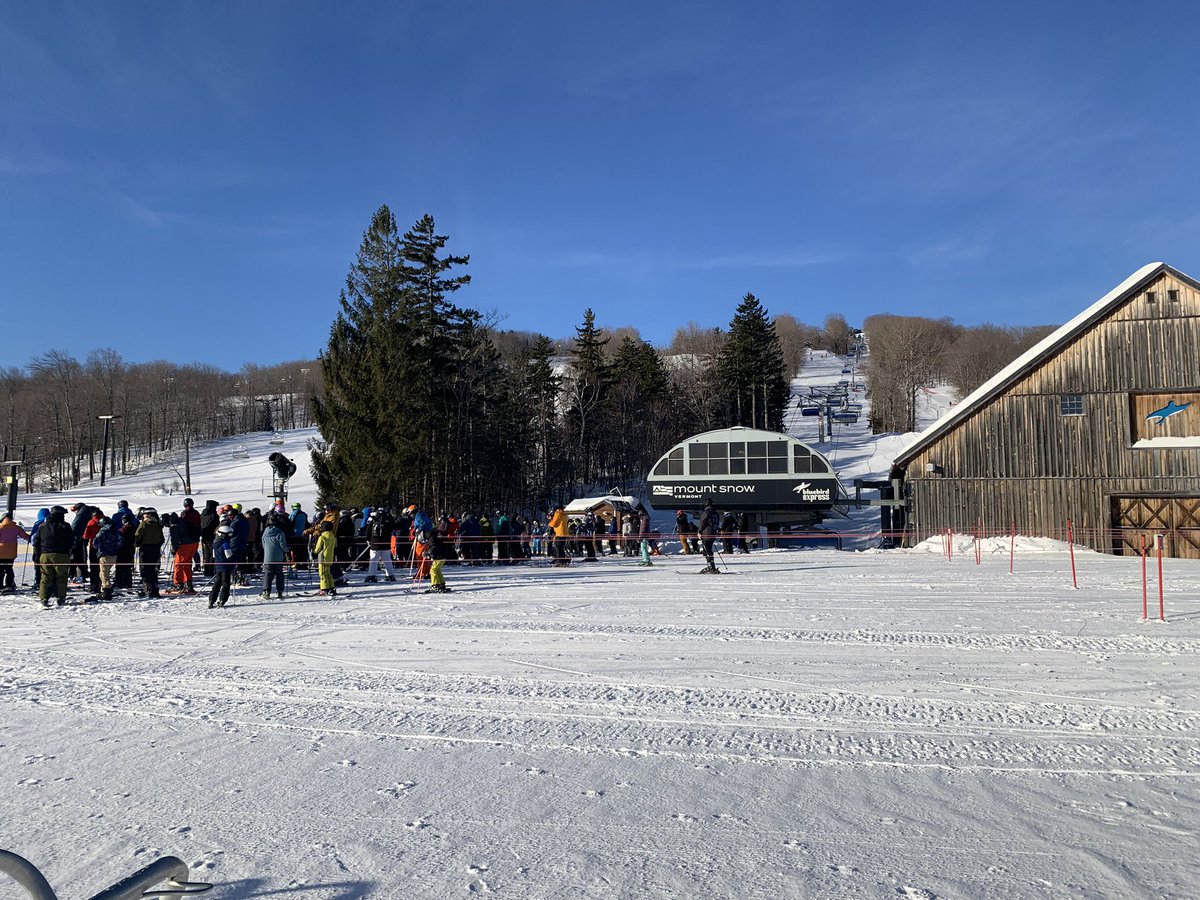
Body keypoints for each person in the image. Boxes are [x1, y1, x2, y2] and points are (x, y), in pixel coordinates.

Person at [34, 506, 74, 607]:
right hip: (61, 555)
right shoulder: (65, 526)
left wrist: (37, 555)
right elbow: (71, 541)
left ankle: (43, 598)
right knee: (61, 577)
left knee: (45, 577)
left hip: (45, 554)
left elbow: (36, 541)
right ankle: (61, 598)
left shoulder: (42, 526)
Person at [92, 515, 124, 602]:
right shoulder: (116, 531)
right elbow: (120, 542)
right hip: (114, 555)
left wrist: (101, 547)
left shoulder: (102, 531)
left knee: (104, 574)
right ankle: (106, 588)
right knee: (104, 572)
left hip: (104, 555)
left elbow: (95, 543)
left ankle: (106, 592)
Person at [134, 508, 164, 599]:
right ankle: (154, 590)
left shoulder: (144, 524)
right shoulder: (158, 524)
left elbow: (138, 536)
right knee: (153, 569)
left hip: (145, 549)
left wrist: (136, 543)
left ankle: (147, 589)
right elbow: (162, 538)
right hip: (155, 549)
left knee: (145, 569)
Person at [363, 506, 396, 583]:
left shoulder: (373, 520)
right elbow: (395, 526)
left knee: (373, 560)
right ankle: (390, 575)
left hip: (375, 543)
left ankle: (372, 575)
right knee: (387, 560)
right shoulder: (387, 520)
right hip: (386, 543)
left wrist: (368, 539)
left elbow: (368, 530)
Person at [260, 515, 289, 600]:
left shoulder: (265, 532)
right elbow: (283, 545)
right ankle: (279, 591)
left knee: (268, 574)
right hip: (278, 558)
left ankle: (266, 591)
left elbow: (263, 544)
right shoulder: (280, 532)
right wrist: (287, 550)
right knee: (279, 574)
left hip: (267, 558)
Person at [0, 513, 31, 593]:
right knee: (9, 569)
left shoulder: (0, 527)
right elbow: (25, 537)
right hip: (11, 554)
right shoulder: (17, 528)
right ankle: (9, 585)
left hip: (0, 552)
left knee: (0, 569)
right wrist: (31, 538)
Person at [208, 524, 235, 609]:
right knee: (225, 584)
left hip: (218, 566)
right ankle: (222, 600)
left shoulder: (215, 543)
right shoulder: (225, 543)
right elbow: (229, 555)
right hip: (226, 567)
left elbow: (214, 556)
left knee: (217, 584)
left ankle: (211, 600)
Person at [426, 525, 453, 593]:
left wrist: (427, 552)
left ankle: (435, 585)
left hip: (439, 557)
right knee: (437, 570)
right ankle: (441, 584)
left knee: (433, 570)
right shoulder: (436, 538)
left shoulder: (431, 539)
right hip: (442, 556)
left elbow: (434, 548)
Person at [314, 520, 337, 597]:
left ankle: (324, 589)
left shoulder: (322, 537)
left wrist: (313, 552)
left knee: (322, 574)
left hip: (323, 558)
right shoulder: (333, 536)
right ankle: (331, 587)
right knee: (328, 573)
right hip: (330, 557)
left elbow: (317, 548)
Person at [698, 498, 721, 574]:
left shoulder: (706, 512)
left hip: (706, 533)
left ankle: (710, 566)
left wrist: (699, 531)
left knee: (706, 550)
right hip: (713, 533)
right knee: (709, 549)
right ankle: (712, 565)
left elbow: (702, 522)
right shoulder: (715, 513)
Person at [289, 502, 310, 571]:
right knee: (303, 550)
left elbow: (290, 523)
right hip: (303, 535)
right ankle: (304, 564)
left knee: (295, 550)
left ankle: (296, 564)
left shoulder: (293, 514)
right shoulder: (304, 514)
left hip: (294, 535)